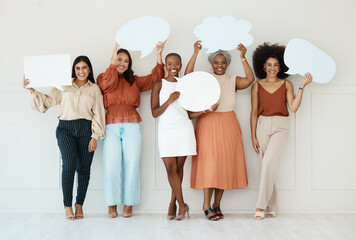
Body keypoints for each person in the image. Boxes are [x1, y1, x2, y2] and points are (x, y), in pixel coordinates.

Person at [23, 56, 105, 220]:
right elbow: (47, 101)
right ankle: (67, 206)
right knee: (68, 166)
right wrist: (32, 90)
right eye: (78, 68)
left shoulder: (95, 89)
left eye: (84, 68)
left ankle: (79, 204)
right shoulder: (64, 85)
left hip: (85, 130)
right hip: (65, 129)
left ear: (89, 70)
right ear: (74, 70)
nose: (81, 71)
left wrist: (95, 136)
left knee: (83, 169)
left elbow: (99, 113)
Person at [186, 41, 254, 220]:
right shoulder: (204, 79)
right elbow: (187, 76)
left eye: (223, 62)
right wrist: (195, 53)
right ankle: (206, 205)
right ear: (211, 64)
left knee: (225, 163)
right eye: (216, 62)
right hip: (208, 122)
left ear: (228, 64)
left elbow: (249, 79)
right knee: (210, 163)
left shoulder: (232, 80)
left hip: (229, 122)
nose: (219, 65)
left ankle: (217, 204)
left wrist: (243, 57)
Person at [97, 42, 165, 218]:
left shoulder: (134, 81)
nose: (122, 63)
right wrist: (112, 63)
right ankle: (111, 205)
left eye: (126, 61)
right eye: (119, 59)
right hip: (111, 125)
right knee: (111, 166)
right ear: (113, 59)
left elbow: (155, 78)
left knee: (132, 165)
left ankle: (129, 204)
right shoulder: (103, 77)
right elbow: (107, 85)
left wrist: (159, 54)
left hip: (132, 125)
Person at [251, 42, 312, 220]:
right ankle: (272, 206)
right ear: (263, 66)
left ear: (280, 67)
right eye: (269, 65)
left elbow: (293, 108)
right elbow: (253, 112)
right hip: (262, 125)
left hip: (281, 125)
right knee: (266, 168)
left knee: (268, 164)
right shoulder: (257, 85)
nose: (272, 68)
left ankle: (260, 207)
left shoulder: (286, 84)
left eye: (275, 65)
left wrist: (302, 87)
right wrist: (253, 135)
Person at [151, 53, 196, 220]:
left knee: (178, 169)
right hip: (166, 130)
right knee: (170, 168)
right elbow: (154, 113)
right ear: (165, 65)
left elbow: (190, 114)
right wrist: (169, 101)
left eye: (177, 63)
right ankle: (182, 204)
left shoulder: (185, 85)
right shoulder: (158, 85)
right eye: (170, 63)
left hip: (184, 128)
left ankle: (173, 204)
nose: (173, 67)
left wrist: (206, 110)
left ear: (181, 64)